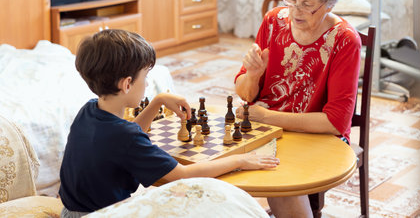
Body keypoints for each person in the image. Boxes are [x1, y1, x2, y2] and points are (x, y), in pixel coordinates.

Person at [59, 29, 279, 217]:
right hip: (102, 215)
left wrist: (157, 102)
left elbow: (126, 134)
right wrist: (239, 159)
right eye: (145, 77)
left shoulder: (89, 110)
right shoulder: (125, 138)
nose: (146, 83)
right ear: (127, 84)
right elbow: (182, 174)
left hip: (70, 212)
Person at [235, 0, 361, 218]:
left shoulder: (344, 40)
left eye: (306, 4)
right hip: (265, 126)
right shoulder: (273, 21)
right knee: (215, 166)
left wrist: (267, 116)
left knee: (281, 173)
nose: (294, 11)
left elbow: (335, 122)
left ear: (328, 4)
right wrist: (254, 75)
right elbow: (245, 93)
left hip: (316, 134)